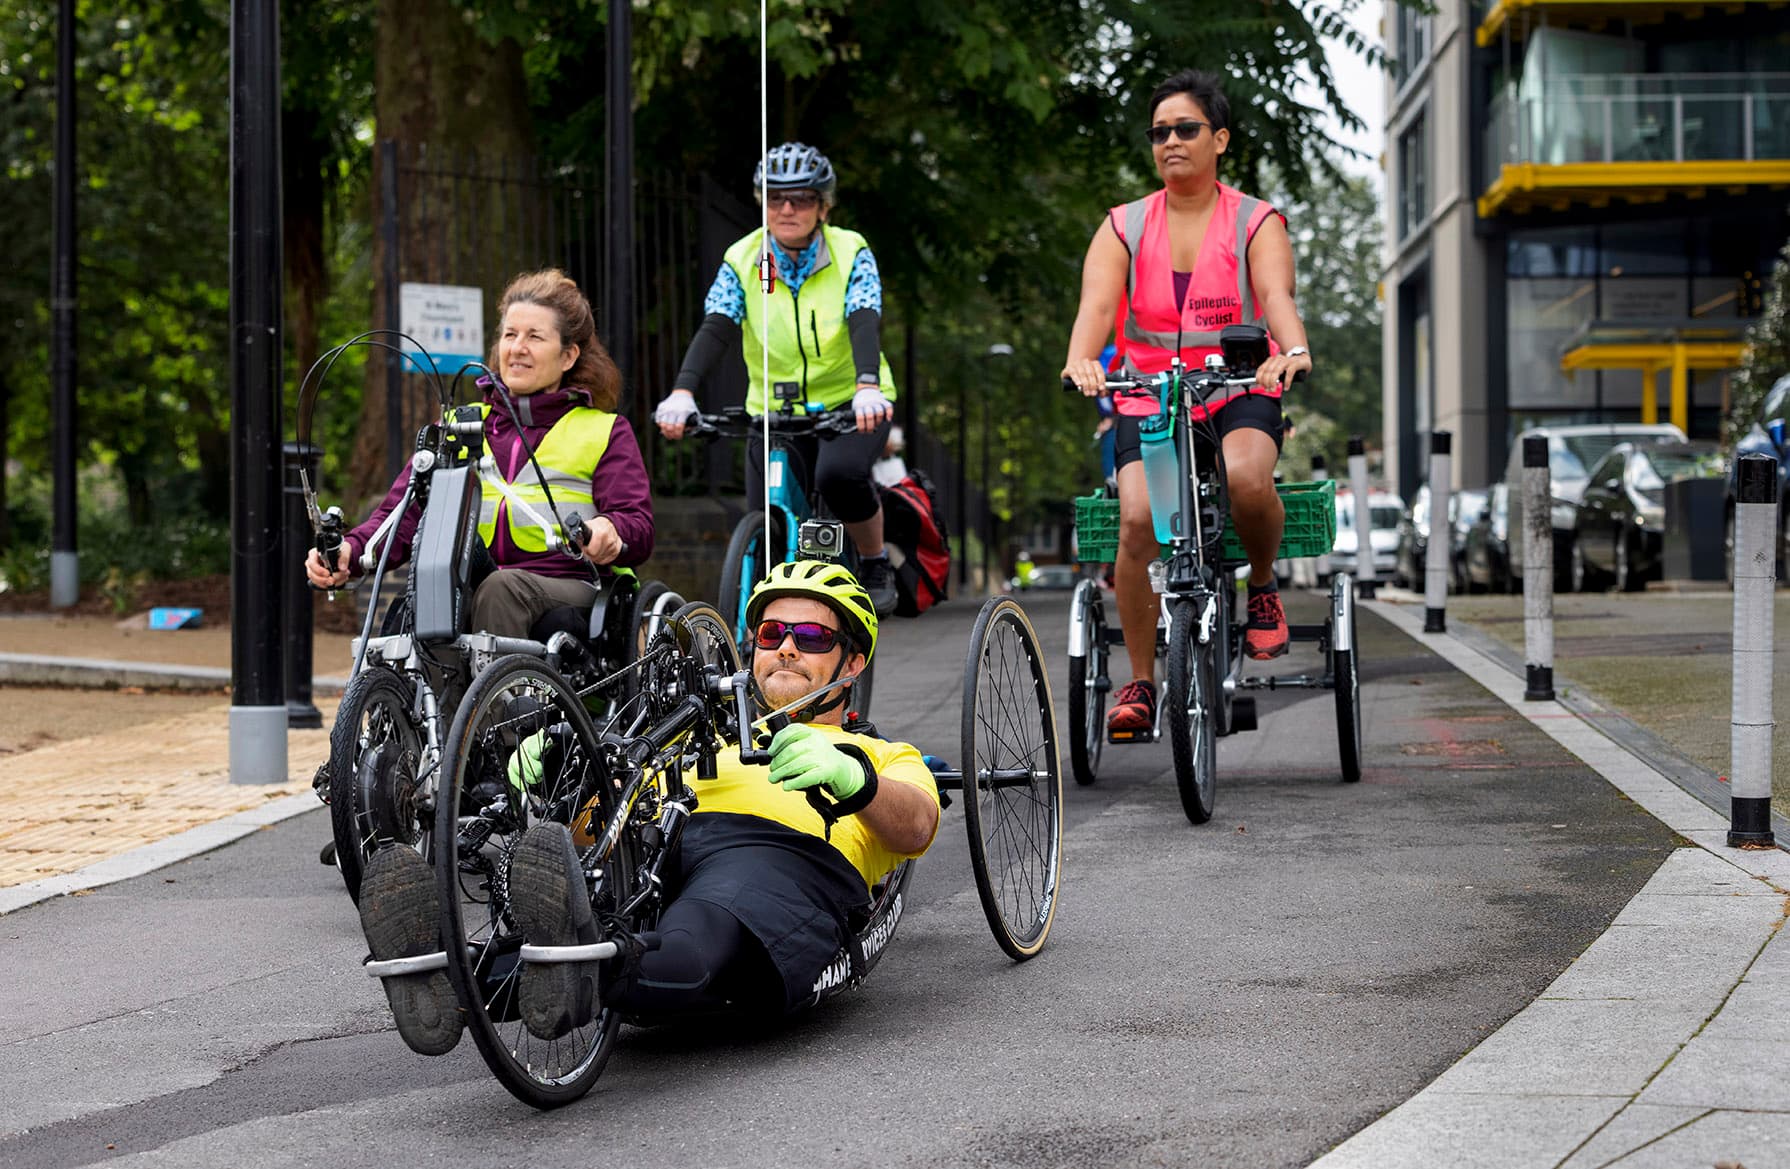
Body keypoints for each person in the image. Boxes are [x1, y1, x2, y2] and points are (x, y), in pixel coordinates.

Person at [357, 560, 940, 1053]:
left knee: (700, 925)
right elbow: (588, 835)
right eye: (771, 634)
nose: (786, 648)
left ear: (852, 663)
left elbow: (917, 825)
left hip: (777, 855)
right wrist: (561, 773)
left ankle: (568, 971)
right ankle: (442, 978)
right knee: (594, 912)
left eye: (811, 637)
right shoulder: (697, 735)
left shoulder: (879, 753)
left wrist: (854, 777)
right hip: (660, 839)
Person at [1060, 69, 1313, 736]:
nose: (1170, 141)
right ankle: (1141, 680)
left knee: (1248, 479)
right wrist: (1081, 359)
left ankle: (1262, 585)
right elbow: (1096, 309)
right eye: (1159, 133)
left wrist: (1293, 349)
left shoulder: (1255, 220)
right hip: (1150, 395)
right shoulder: (1123, 225)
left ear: (1219, 139)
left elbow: (1277, 296)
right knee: (1138, 521)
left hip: (1239, 388)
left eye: (1186, 129)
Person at [304, 268, 654, 639]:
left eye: (534, 336)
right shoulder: (459, 427)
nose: (517, 348)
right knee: (424, 598)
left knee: (500, 589)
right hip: (476, 581)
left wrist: (611, 530)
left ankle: (497, 682)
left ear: (568, 356)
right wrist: (351, 551)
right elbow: (402, 513)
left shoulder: (603, 431)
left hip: (572, 585)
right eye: (510, 334)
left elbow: (638, 525)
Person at [651, 143, 902, 617]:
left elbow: (864, 318)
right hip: (772, 408)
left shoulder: (851, 250)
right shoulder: (743, 257)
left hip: (849, 401)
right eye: (775, 198)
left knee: (837, 475)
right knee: (763, 519)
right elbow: (717, 326)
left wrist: (867, 385)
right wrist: (683, 391)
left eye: (802, 198)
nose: (787, 209)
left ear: (823, 207)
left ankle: (874, 561)